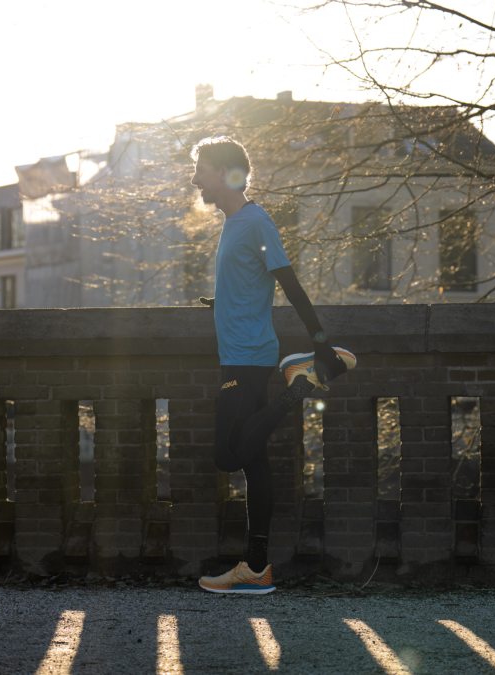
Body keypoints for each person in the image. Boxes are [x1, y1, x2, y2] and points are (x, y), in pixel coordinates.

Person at [190, 136, 356, 595]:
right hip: (239, 352)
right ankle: (257, 569)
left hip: (249, 357)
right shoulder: (233, 223)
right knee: (254, 462)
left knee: (228, 455)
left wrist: (321, 345)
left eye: (200, 168)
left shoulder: (256, 222)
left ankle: (300, 384)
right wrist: (221, 302)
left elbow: (290, 284)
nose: (194, 178)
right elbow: (249, 282)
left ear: (224, 172)